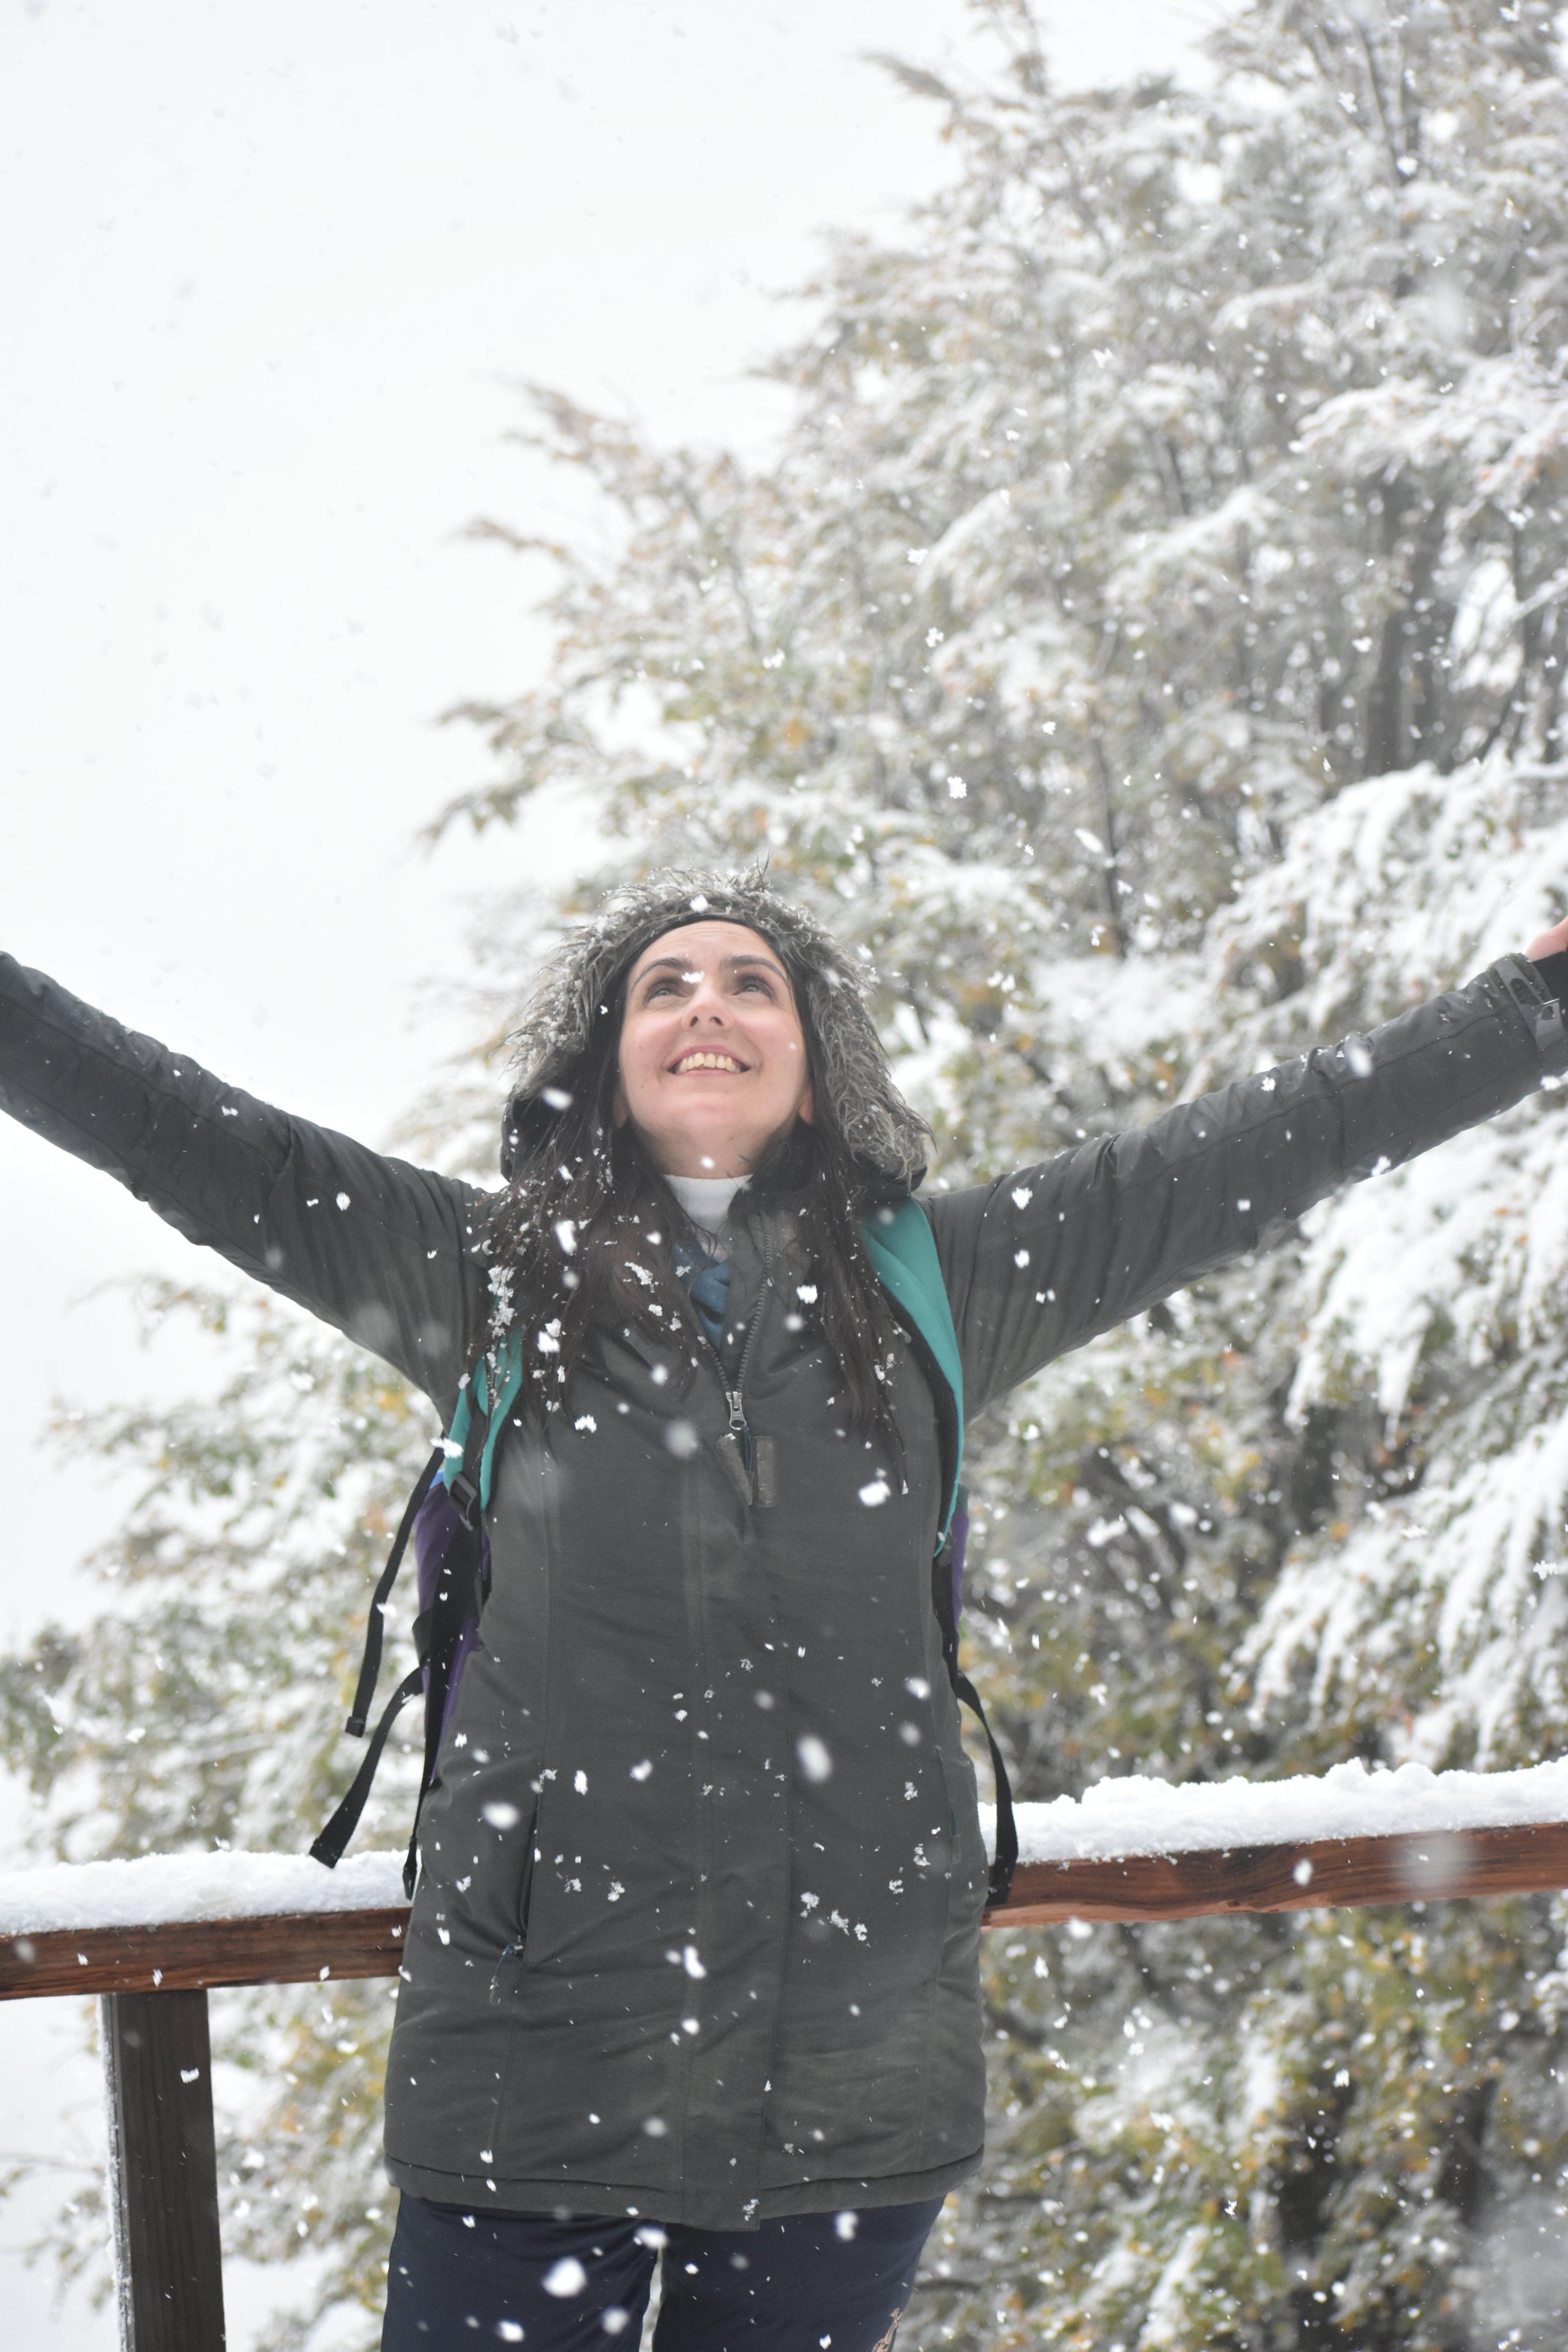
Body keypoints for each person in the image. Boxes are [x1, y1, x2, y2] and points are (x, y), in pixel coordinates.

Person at [2, 867, 1566, 2351]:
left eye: (754, 985)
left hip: (850, 2087)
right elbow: (190, 1137)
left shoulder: (948, 1284)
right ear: (604, 1072)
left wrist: (1528, 1013)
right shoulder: (485, 1278)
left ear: (810, 1076)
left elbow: (1258, 1149)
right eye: (662, 984)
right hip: (528, 2069)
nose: (707, 1003)